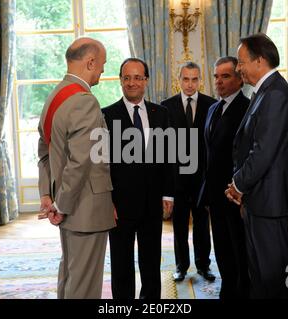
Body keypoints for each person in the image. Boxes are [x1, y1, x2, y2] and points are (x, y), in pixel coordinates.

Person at [37, 37, 116, 299]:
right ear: (90, 62)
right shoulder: (84, 100)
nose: (103, 72)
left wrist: (48, 195)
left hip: (69, 203)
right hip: (84, 207)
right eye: (102, 65)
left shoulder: (54, 97)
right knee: (84, 285)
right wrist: (62, 205)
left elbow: (44, 153)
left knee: (71, 275)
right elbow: (81, 161)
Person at [225, 33, 288, 299]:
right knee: (259, 272)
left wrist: (237, 184)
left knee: (276, 274)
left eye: (242, 62)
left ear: (259, 61)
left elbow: (263, 151)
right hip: (259, 199)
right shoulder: (264, 92)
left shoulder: (277, 94)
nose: (238, 68)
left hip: (270, 200)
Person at [102, 58, 175, 299]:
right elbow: (101, 165)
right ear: (120, 80)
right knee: (121, 264)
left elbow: (169, 157)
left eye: (137, 77)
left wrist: (167, 193)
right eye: (127, 78)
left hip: (152, 203)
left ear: (146, 80)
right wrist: (106, 201)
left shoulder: (161, 114)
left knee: (151, 261)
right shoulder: (106, 116)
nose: (132, 83)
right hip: (119, 206)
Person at [197, 56, 250, 298]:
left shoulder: (247, 108)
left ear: (239, 79)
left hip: (236, 194)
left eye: (225, 76)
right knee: (221, 248)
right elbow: (210, 155)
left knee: (240, 249)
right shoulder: (212, 109)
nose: (218, 81)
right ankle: (227, 290)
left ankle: (241, 292)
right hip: (215, 195)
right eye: (216, 76)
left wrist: (242, 191)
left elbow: (248, 155)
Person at [161, 62, 217, 283]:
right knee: (179, 226)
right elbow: (163, 149)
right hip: (177, 179)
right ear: (179, 79)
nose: (190, 84)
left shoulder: (212, 105)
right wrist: (165, 189)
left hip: (202, 179)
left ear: (200, 80)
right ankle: (181, 266)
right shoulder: (166, 107)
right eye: (186, 79)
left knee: (203, 225)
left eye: (195, 79)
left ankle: (204, 266)